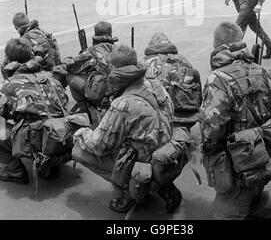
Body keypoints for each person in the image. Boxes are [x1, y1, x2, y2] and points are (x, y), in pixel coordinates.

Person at [199, 21, 271, 220]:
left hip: (237, 169)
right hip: (264, 161)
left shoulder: (218, 79)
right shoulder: (265, 72)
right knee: (253, 200)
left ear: (216, 45)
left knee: (225, 212)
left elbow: (212, 132)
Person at [72, 44, 186, 214]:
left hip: (142, 162)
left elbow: (99, 145)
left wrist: (81, 132)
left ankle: (129, 191)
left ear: (114, 68)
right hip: (167, 154)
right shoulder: (156, 85)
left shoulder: (124, 103)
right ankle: (163, 186)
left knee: (79, 151)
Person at [0, 38, 68, 184]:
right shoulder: (52, 78)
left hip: (36, 138)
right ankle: (48, 164)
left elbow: (4, 113)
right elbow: (63, 102)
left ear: (9, 61)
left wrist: (7, 79)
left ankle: (15, 170)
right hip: (61, 136)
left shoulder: (11, 84)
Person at [57, 21, 118, 118]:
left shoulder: (91, 51)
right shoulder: (118, 50)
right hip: (120, 92)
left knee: (70, 75)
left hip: (104, 94)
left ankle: (85, 109)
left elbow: (71, 65)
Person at [142, 32, 202, 129]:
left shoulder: (145, 63)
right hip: (186, 117)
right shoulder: (183, 61)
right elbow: (198, 92)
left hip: (157, 120)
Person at [1, 12, 61, 79]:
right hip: (56, 74)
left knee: (5, 66)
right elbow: (57, 55)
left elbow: (7, 63)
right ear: (29, 22)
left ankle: (10, 85)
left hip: (40, 77)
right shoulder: (45, 33)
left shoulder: (24, 41)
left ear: (15, 27)